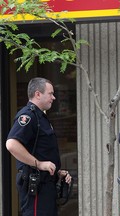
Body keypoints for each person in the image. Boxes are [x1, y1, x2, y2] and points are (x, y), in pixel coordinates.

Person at [6, 77, 72, 216]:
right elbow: (11, 144)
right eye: (50, 93)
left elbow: (41, 150)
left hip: (47, 186)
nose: (54, 97)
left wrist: (57, 171)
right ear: (37, 94)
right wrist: (40, 164)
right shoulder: (28, 116)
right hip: (37, 187)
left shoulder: (41, 117)